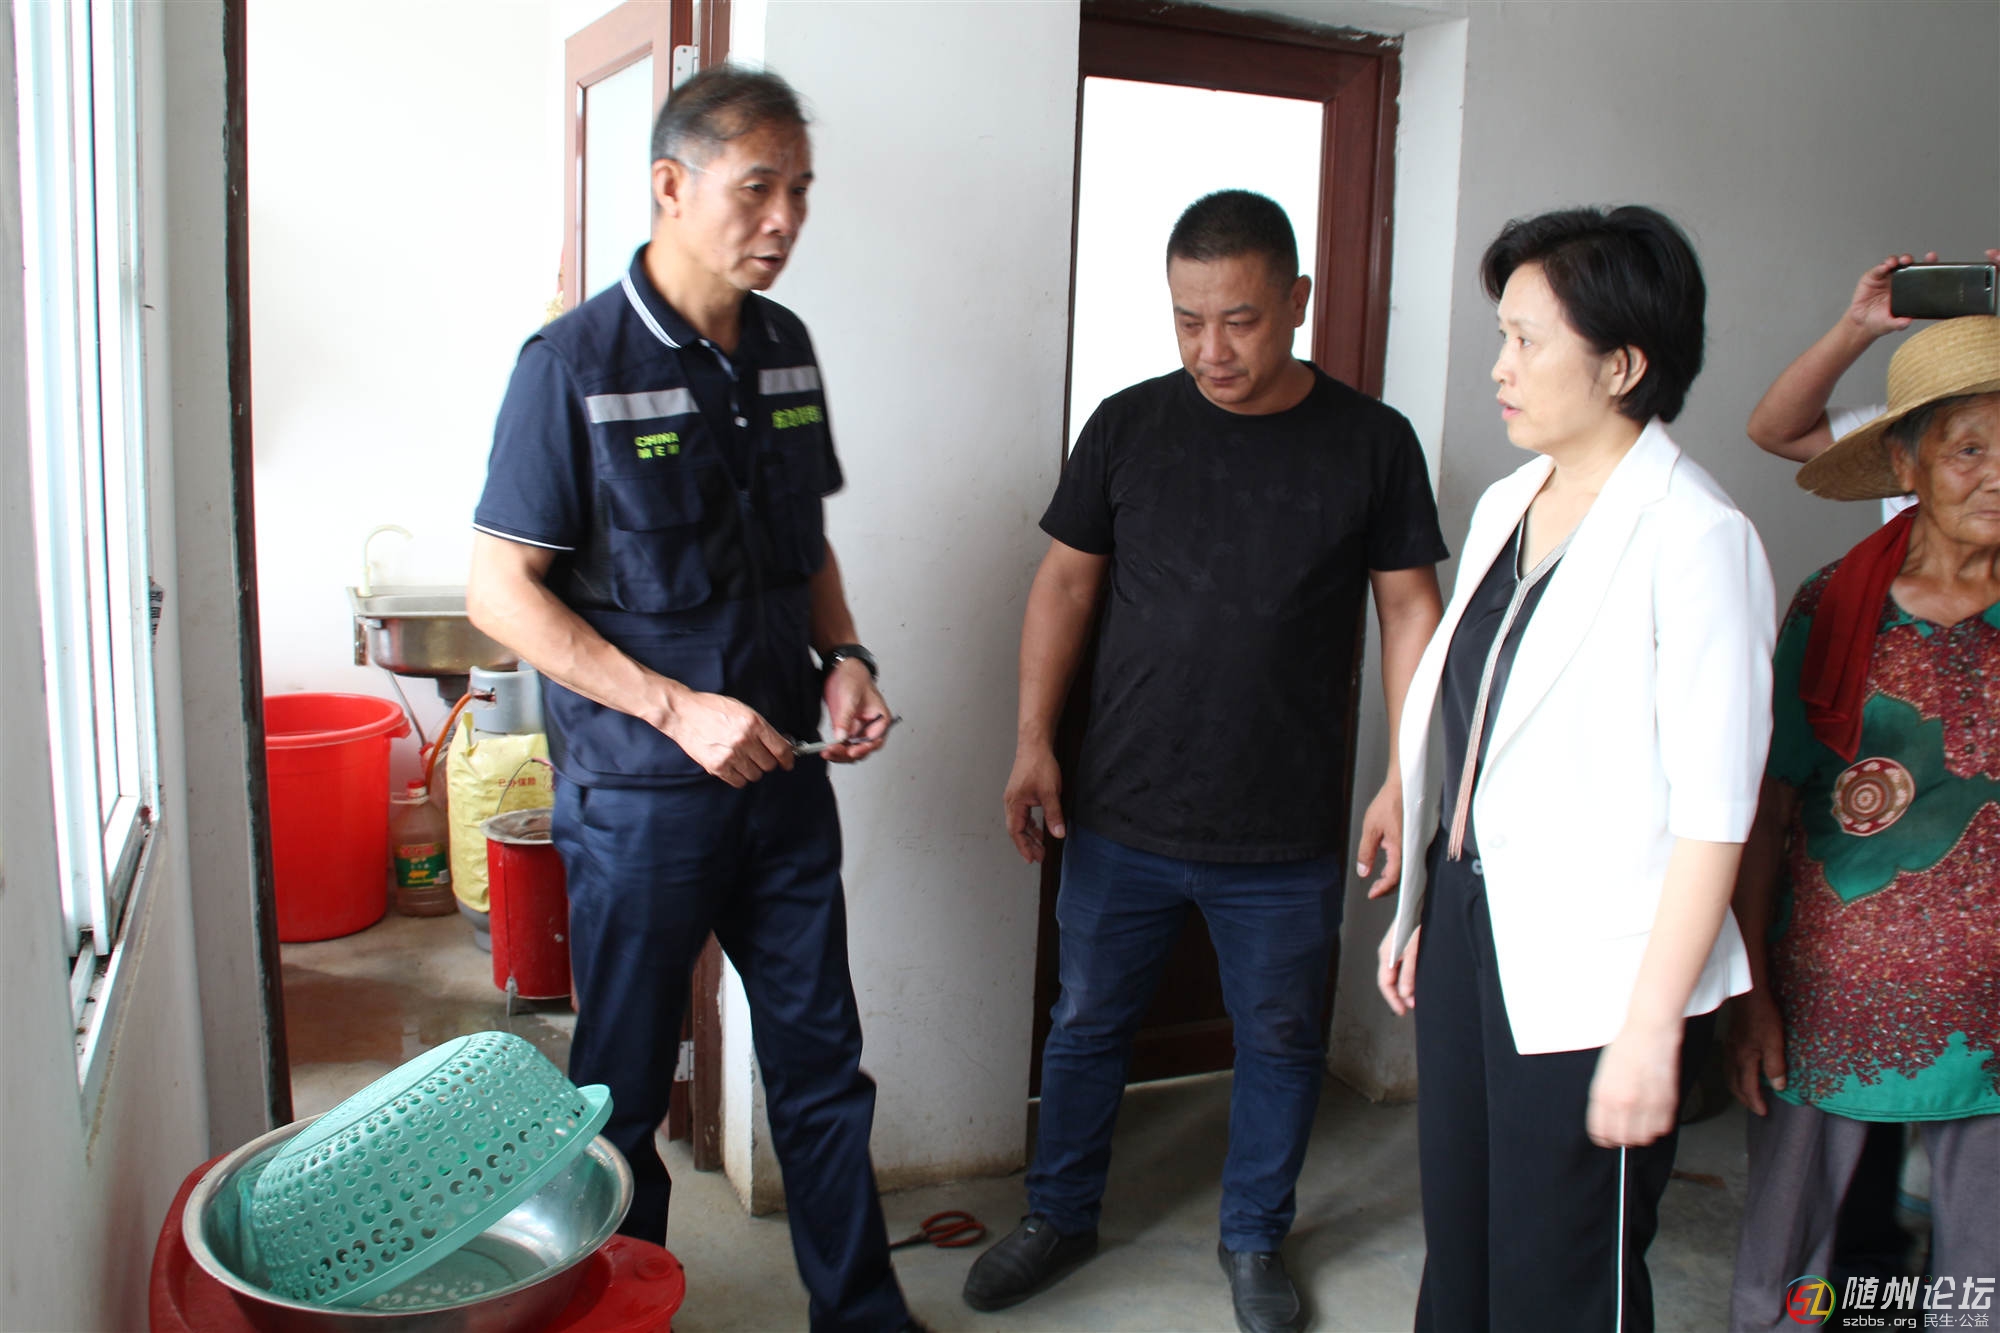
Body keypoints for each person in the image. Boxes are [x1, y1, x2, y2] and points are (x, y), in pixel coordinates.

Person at [466, 66, 915, 1332]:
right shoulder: (571, 364)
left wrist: (847, 654)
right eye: (756, 188)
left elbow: (803, 545)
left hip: (782, 782)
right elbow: (500, 593)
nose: (784, 219)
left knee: (822, 1067)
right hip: (643, 800)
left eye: (800, 191)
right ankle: (621, 1314)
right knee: (617, 1093)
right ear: (671, 185)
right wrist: (675, 710)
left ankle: (862, 1316)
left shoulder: (783, 348)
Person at [966, 189, 1447, 1333]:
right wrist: (1032, 740)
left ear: (1296, 301)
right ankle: (1058, 1214)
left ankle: (1253, 1235)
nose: (1209, 349)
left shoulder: (1370, 442)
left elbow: (1407, 608)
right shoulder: (1127, 426)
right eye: (1187, 320)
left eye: (1238, 319)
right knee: (1085, 1022)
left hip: (1281, 826)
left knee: (1278, 1037)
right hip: (1119, 806)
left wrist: (1406, 774)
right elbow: (1063, 584)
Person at [1373, 205, 1776, 1332]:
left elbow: (1715, 813)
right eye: (1501, 336)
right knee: (1461, 1247)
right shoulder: (1514, 499)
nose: (1498, 368)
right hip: (1476, 920)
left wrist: (1650, 1029)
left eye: (1525, 340)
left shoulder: (1695, 536)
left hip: (1604, 971)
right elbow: (1483, 722)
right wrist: (1429, 905)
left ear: (1622, 365)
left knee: (1559, 1275)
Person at [1726, 317, 2000, 1332]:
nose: (1996, 475)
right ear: (1905, 463)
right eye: (1968, 448)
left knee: (1980, 1286)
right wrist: (1752, 994)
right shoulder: (1835, 608)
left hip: (1992, 1014)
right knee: (1788, 1272)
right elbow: (1767, 810)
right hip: (1826, 1001)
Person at [1748, 249, 2000, 524]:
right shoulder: (1911, 425)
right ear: (1902, 461)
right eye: (1969, 451)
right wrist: (1858, 327)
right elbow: (1776, 432)